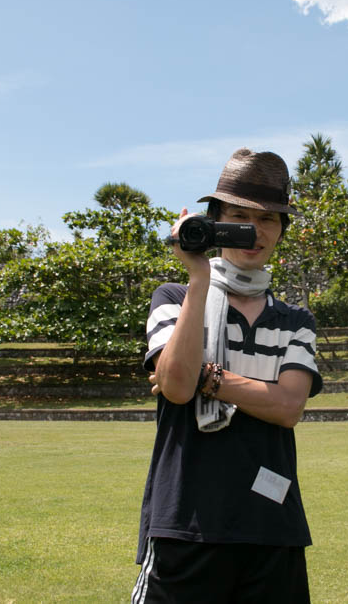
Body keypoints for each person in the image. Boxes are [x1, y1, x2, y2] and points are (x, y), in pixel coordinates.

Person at [131, 148, 323, 604]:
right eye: (238, 216)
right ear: (214, 222)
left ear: (281, 231)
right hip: (186, 524)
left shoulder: (294, 320)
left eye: (269, 219)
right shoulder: (175, 296)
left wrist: (209, 377)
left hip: (272, 529)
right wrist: (198, 278)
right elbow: (177, 388)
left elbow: (288, 406)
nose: (253, 232)